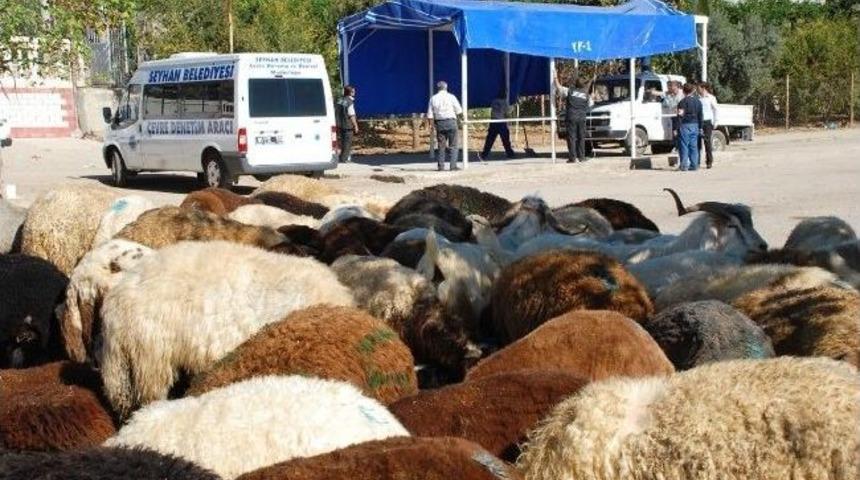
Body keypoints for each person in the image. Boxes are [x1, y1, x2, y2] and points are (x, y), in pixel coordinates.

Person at [555, 72, 593, 163]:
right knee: (581, 137)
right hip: (581, 118)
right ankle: (582, 157)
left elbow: (559, 87)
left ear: (575, 83)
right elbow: (591, 104)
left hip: (571, 117)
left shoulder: (569, 91)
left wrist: (555, 78)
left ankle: (572, 158)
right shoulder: (586, 94)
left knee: (571, 137)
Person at [427, 81, 463, 171]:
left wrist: (431, 125)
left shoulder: (433, 98)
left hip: (440, 123)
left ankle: (441, 166)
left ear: (438, 88)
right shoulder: (451, 97)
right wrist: (463, 119)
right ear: (446, 87)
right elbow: (459, 110)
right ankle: (453, 166)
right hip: (451, 122)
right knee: (453, 145)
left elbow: (430, 114)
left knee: (441, 145)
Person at [478, 89, 515, 161]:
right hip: (501, 122)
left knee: (490, 139)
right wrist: (511, 107)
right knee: (505, 139)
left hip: (493, 121)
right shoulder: (504, 102)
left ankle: (484, 154)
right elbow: (507, 113)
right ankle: (509, 153)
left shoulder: (494, 101)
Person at [676, 83, 703, 171]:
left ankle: (684, 165)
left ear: (683, 91)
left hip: (685, 125)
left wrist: (677, 127)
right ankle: (694, 165)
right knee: (693, 146)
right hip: (695, 125)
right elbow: (700, 115)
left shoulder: (682, 102)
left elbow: (680, 116)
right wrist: (700, 127)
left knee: (684, 145)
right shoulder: (698, 102)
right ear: (692, 91)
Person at [697, 82, 719, 169]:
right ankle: (697, 161)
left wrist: (716, 121)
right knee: (697, 142)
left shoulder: (711, 98)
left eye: (699, 88)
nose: (697, 89)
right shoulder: (697, 98)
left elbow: (715, 110)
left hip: (707, 121)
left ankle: (709, 161)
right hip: (698, 121)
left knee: (707, 142)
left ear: (703, 88)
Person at [335, 85, 359, 164]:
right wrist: (355, 125)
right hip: (347, 125)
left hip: (339, 124)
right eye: (353, 91)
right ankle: (344, 159)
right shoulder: (349, 102)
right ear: (350, 92)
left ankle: (342, 157)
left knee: (343, 142)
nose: (354, 92)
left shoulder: (340, 100)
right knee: (347, 142)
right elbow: (351, 115)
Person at [662, 80, 684, 153]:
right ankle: (677, 146)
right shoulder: (669, 95)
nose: (671, 90)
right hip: (674, 116)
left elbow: (684, 104)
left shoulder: (682, 94)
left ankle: (680, 146)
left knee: (680, 131)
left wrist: (677, 107)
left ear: (677, 87)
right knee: (675, 132)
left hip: (682, 116)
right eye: (670, 88)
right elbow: (666, 104)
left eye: (672, 88)